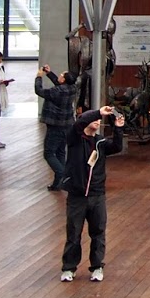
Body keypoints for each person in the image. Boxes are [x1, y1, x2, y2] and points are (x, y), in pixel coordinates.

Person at [61, 105, 126, 283]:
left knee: (98, 232)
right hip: (77, 195)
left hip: (97, 195)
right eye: (94, 119)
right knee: (73, 232)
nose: (97, 121)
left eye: (99, 120)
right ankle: (69, 268)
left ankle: (97, 267)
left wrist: (118, 128)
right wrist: (98, 112)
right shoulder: (74, 138)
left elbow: (117, 147)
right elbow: (79, 122)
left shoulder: (100, 142)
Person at [36, 65, 76, 191]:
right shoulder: (72, 88)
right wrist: (49, 73)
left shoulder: (56, 91)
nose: (59, 76)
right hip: (67, 125)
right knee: (60, 152)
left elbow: (39, 91)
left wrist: (39, 77)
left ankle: (61, 174)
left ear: (63, 80)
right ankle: (60, 182)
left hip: (55, 125)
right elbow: (59, 85)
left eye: (61, 75)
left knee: (48, 153)